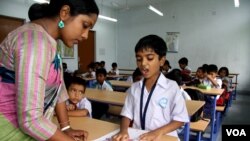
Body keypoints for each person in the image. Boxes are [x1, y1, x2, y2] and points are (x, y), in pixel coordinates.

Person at [0, 0, 99, 140]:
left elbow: (58, 87)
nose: (85, 35)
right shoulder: (35, 42)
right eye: (85, 25)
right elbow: (30, 121)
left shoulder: (49, 41)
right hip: (9, 133)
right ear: (64, 13)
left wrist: (66, 128)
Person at [112, 35, 189, 141]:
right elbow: (127, 113)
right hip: (138, 136)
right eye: (139, 59)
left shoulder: (171, 87)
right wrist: (124, 130)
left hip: (163, 137)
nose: (143, 63)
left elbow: (180, 119)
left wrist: (157, 132)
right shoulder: (134, 87)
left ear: (162, 60)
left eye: (150, 58)